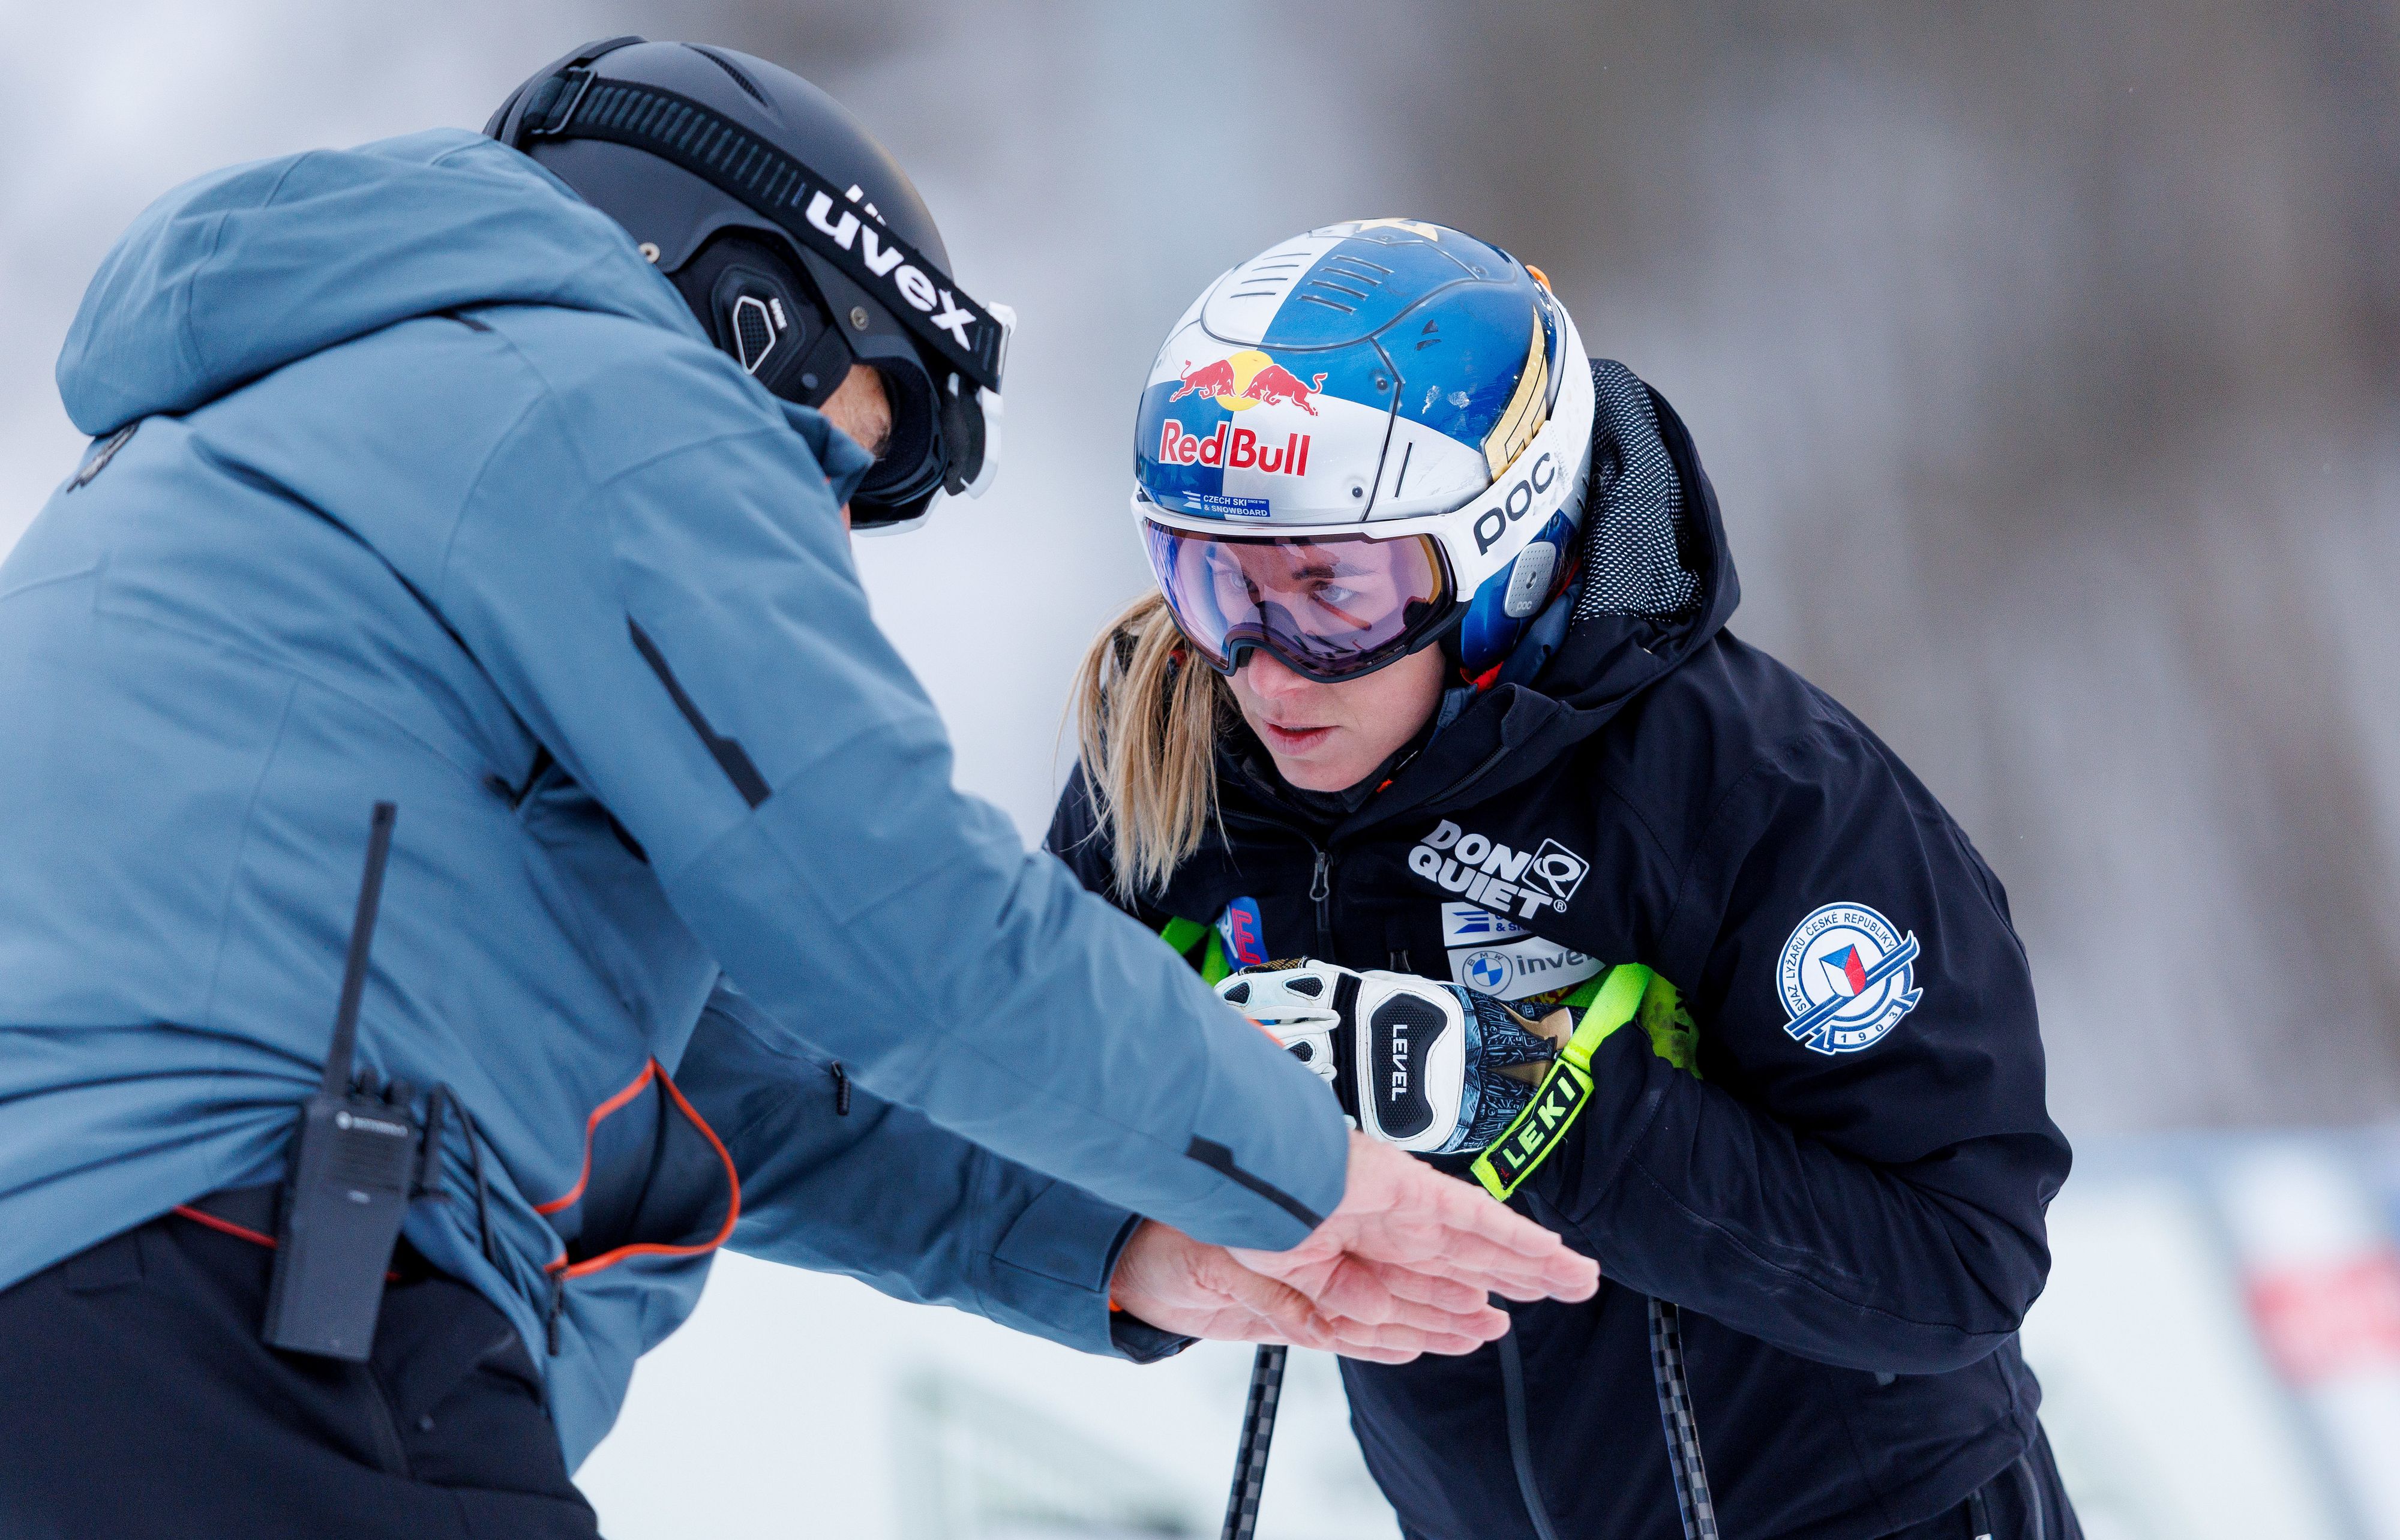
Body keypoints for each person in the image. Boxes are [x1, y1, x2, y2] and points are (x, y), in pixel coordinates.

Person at [0, 45, 1598, 1538]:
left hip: (111, 1311)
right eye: (831, 466)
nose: (822, 548)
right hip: (243, 1297)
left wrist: (1125, 1241)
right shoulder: (594, 392)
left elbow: (715, 1080)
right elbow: (893, 917)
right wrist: (1305, 1169)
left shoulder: (267, 448)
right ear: (748, 309)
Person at [1050, 220, 2082, 1539]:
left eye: (1331, 595)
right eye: (1204, 579)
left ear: (1503, 557)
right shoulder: (1176, 754)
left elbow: (1952, 1271)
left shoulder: (1753, 791)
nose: (1262, 666)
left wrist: (1514, 1094)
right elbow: (1005, 1089)